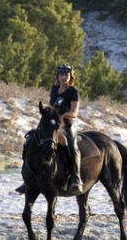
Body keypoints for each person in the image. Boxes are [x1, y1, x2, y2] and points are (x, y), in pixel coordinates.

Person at [17, 63, 83, 195]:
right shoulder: (54, 89)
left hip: (66, 125)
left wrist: (61, 115)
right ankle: (28, 179)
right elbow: (52, 106)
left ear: (71, 76)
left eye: (66, 75)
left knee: (72, 146)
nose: (63, 77)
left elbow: (74, 113)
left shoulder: (73, 92)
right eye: (61, 74)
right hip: (53, 124)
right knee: (31, 139)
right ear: (58, 76)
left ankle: (76, 178)